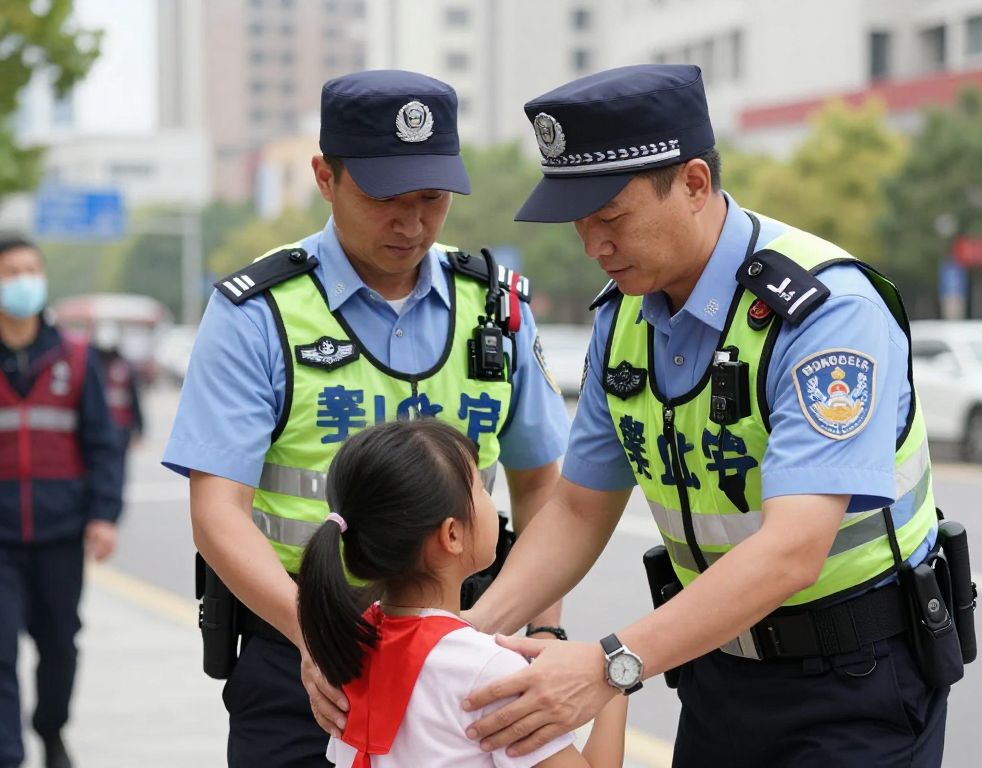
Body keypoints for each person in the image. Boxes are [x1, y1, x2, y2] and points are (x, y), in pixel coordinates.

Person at [461, 65, 954, 767]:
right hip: (716, 672)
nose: (592, 246)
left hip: (854, 683)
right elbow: (576, 509)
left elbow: (794, 549)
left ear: (694, 183)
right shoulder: (625, 314)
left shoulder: (824, 312)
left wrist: (608, 667)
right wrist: (465, 633)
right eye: (578, 223)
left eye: (611, 218)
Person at [162, 70, 570, 768]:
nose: (411, 225)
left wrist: (538, 634)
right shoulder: (259, 312)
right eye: (385, 199)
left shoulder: (495, 307)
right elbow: (218, 513)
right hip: (307, 658)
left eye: (432, 199)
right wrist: (316, 640)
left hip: (466, 653)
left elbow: (542, 489)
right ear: (326, 176)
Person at [297, 419, 626, 767]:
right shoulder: (489, 670)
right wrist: (610, 682)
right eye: (481, 488)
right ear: (451, 535)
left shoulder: (353, 645)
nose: (488, 499)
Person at [0, 237, 122, 768]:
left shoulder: (73, 357)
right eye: (11, 272)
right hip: (0, 539)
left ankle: (50, 730)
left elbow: (103, 442)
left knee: (60, 646)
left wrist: (103, 515)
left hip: (59, 532)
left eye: (31, 270)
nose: (23, 280)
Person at [91, 321, 144, 481]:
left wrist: (139, 427)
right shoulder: (92, 366)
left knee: (118, 470)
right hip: (97, 427)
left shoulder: (124, 367)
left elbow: (134, 398)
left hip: (121, 427)